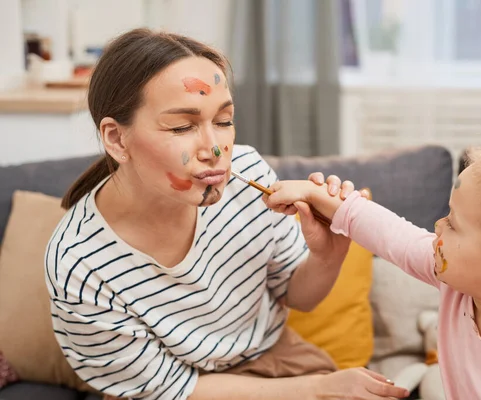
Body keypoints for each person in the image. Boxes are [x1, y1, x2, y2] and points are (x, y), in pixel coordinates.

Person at [44, 28, 409, 400]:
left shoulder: (249, 173)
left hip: (274, 359)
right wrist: (317, 390)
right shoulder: (78, 263)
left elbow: (299, 297)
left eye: (223, 121)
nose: (215, 150)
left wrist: (329, 253)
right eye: (183, 126)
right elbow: (169, 389)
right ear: (117, 139)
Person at [264, 145, 481, 399]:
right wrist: (316, 195)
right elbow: (393, 235)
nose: (438, 225)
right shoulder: (460, 284)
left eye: (453, 224)